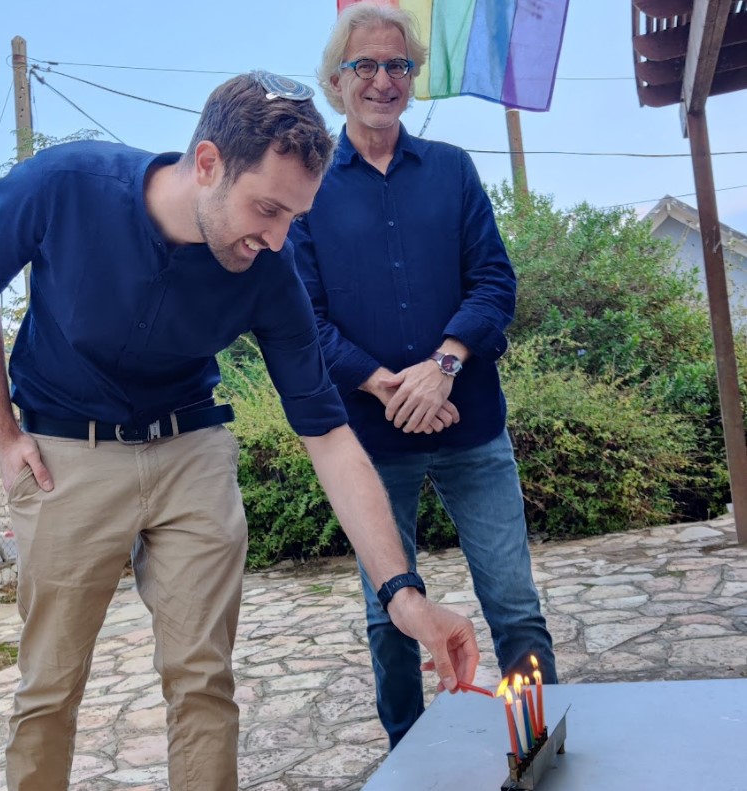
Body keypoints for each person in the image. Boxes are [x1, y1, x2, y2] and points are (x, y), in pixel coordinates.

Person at [0, 71, 480, 791]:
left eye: (295, 216)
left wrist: (405, 595)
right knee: (50, 684)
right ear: (206, 163)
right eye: (268, 209)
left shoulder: (271, 269)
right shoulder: (60, 184)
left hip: (190, 447)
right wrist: (4, 434)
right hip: (66, 449)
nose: (278, 239)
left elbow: (327, 433)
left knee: (202, 678)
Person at [290, 4, 557, 750]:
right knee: (391, 615)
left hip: (472, 427)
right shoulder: (307, 189)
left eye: (398, 65)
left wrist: (442, 368)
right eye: (365, 66)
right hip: (372, 443)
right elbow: (304, 321)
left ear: (413, 78)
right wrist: (388, 385)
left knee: (514, 604)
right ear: (335, 82)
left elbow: (495, 283)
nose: (383, 80)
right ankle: (410, 755)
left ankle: (539, 743)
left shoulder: (452, 170)